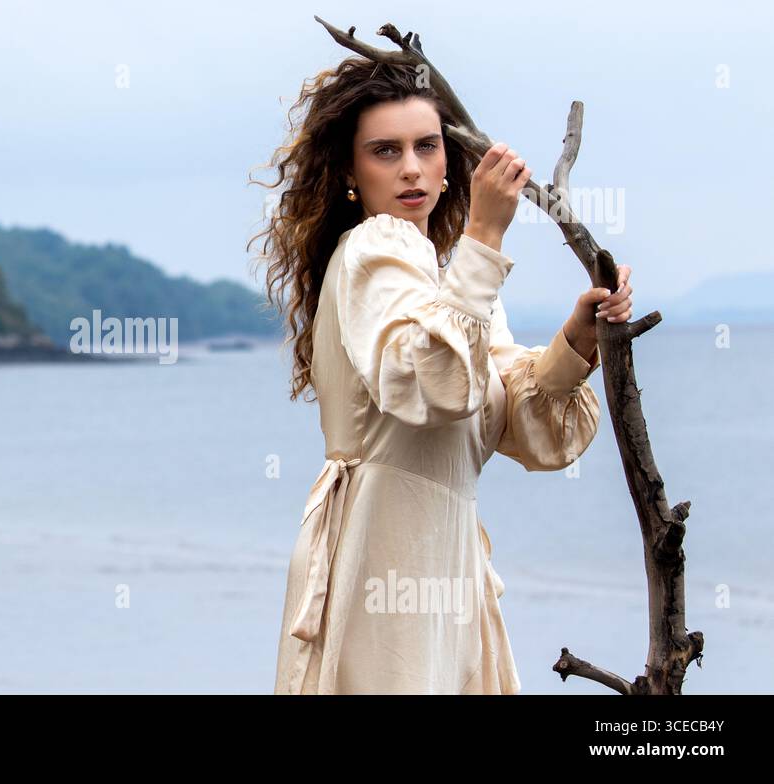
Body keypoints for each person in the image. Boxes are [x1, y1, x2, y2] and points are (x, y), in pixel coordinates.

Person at [249, 57, 633, 694]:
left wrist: (576, 340)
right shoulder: (376, 248)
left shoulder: (455, 290)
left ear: (450, 159)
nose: (410, 168)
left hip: (446, 559)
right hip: (384, 549)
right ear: (349, 170)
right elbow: (430, 389)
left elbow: (527, 430)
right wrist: (485, 234)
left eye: (427, 146)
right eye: (384, 150)